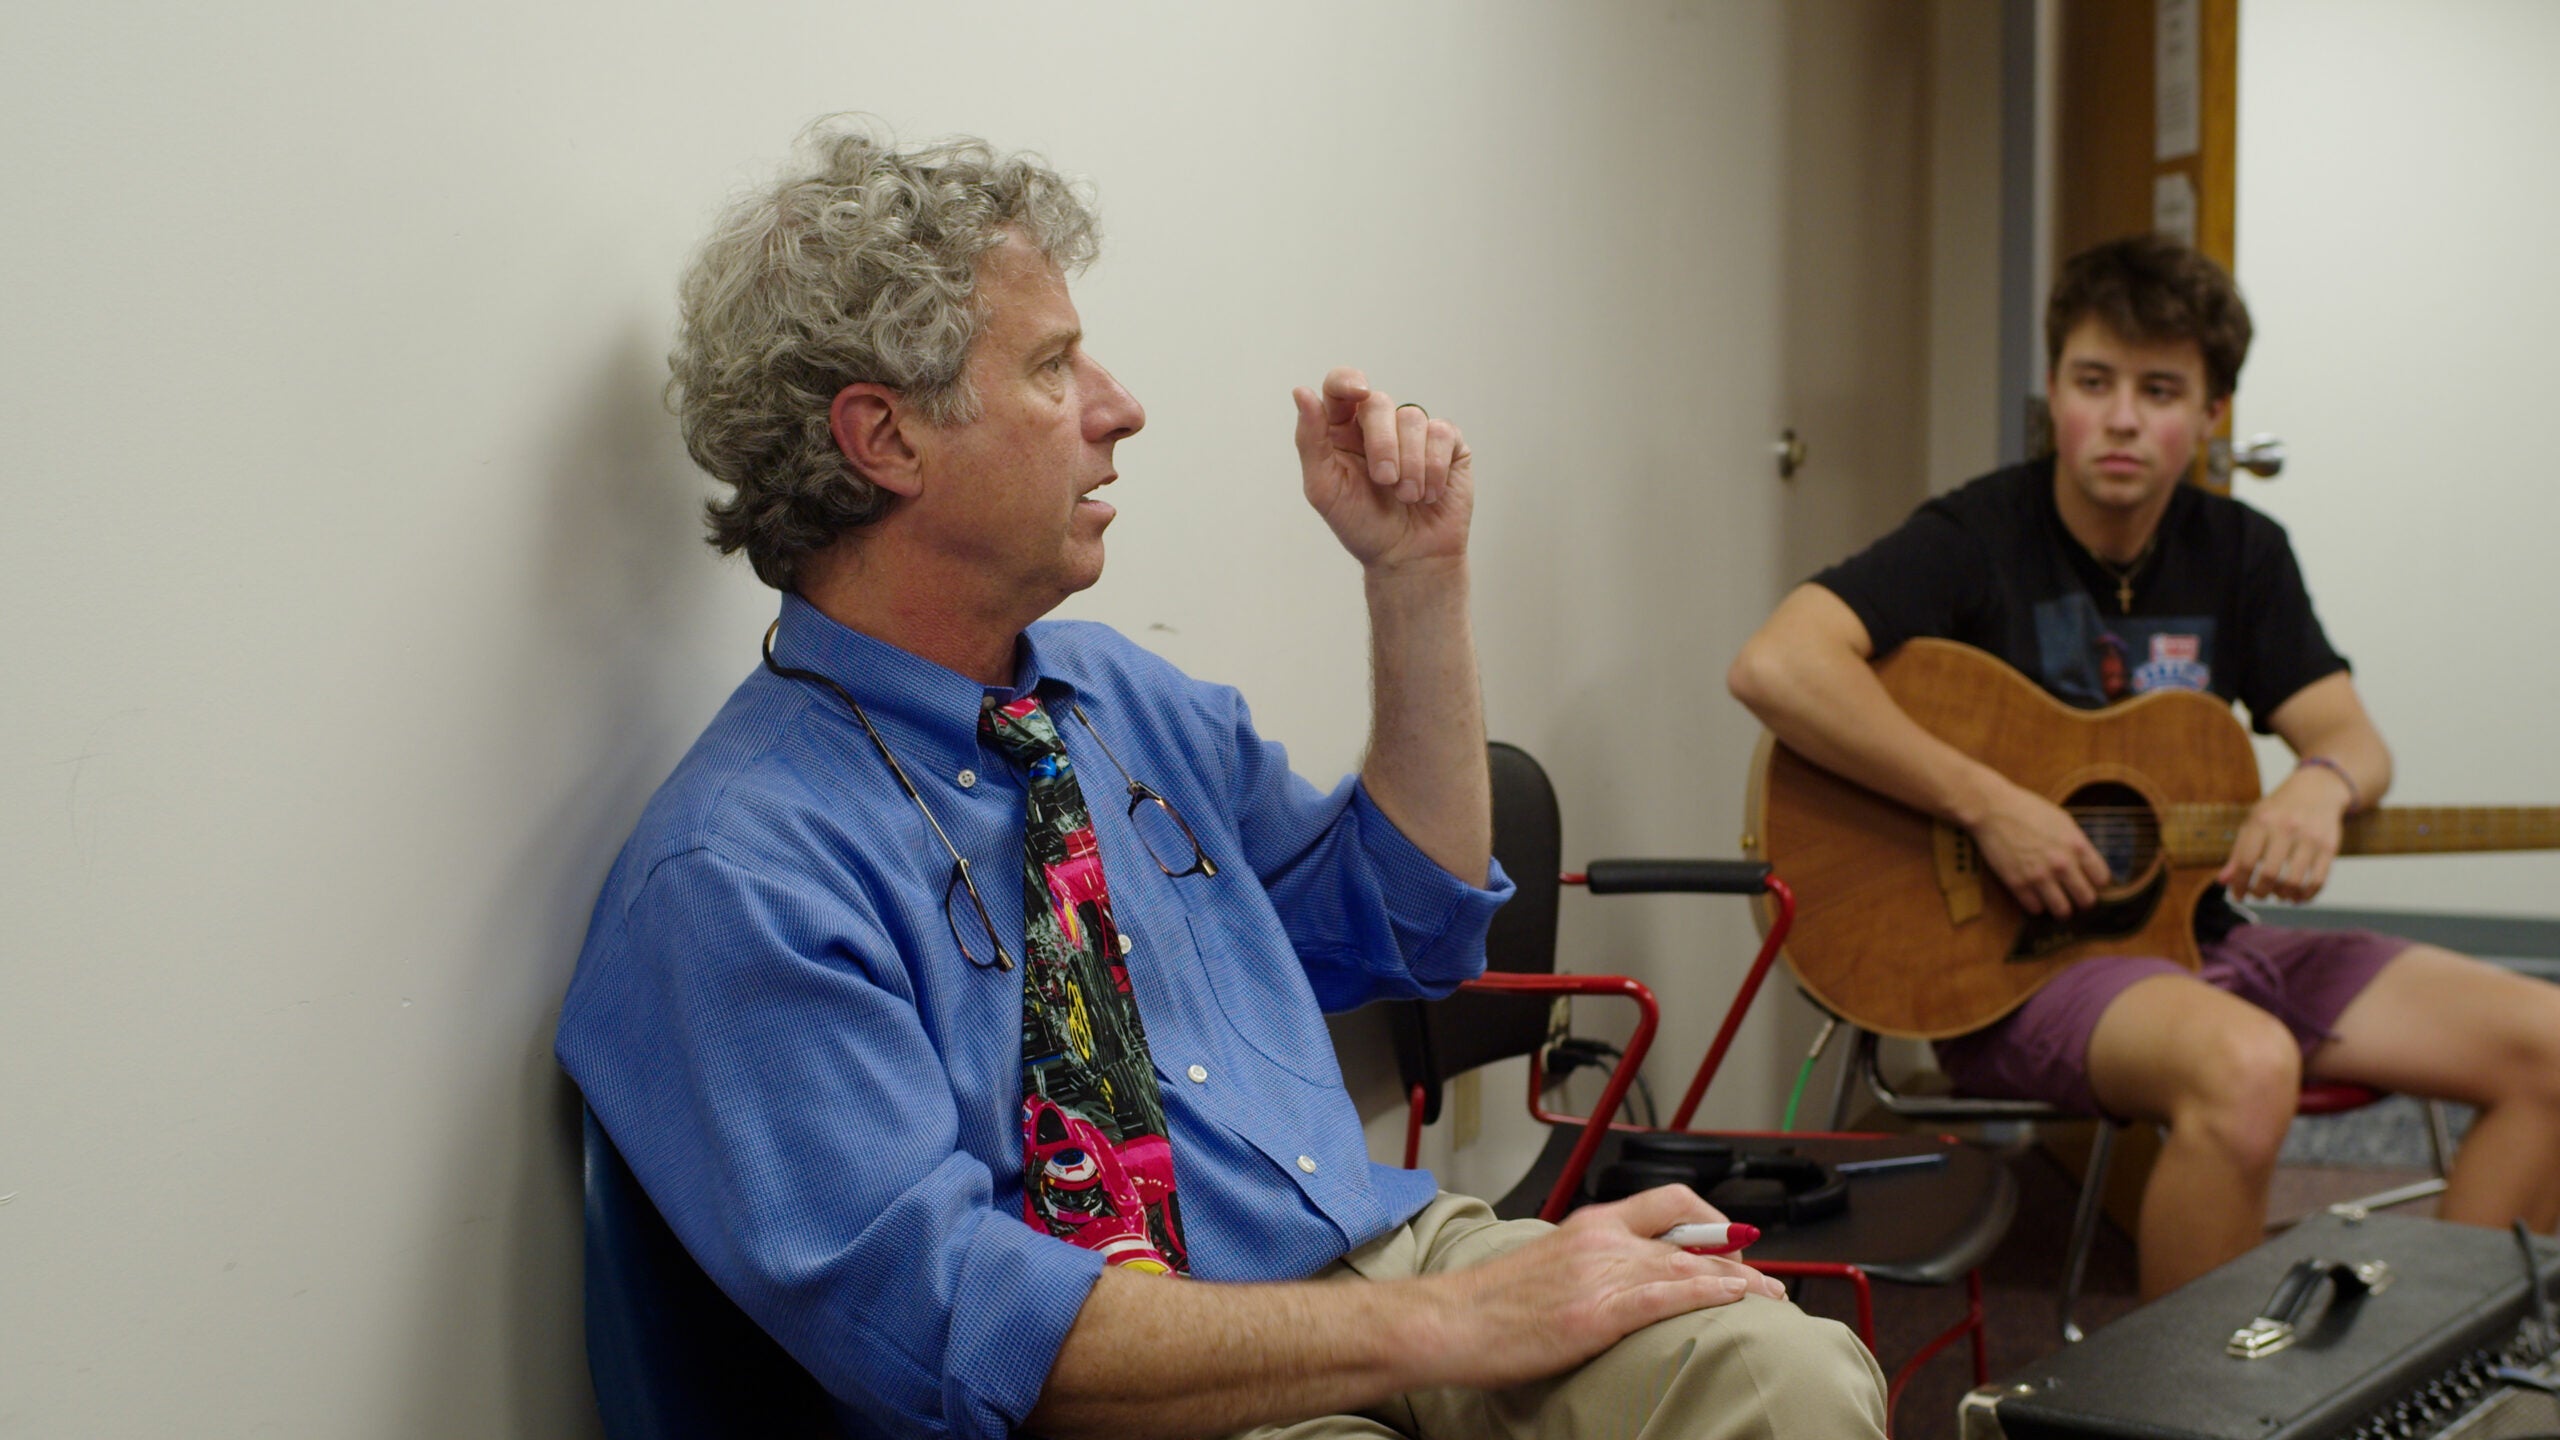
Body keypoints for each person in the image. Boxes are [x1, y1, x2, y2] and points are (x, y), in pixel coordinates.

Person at [557, 118, 1886, 1440]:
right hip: (1136, 1378)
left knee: (1782, 1375)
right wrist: (1455, 1327)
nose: (1119, 407)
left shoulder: (1115, 699)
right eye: (1054, 366)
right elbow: (954, 1325)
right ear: (886, 440)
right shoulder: (738, 874)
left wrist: (1415, 579)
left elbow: (1413, 928)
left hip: (1372, 1257)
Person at [1728, 233, 2560, 1299]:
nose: (2121, 418)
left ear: (2211, 414)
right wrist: (1990, 807)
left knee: (2547, 1041)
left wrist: (2320, 785)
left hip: (2203, 942)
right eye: (2094, 382)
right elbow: (1777, 665)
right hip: (2019, 973)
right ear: (2054, 391)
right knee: (2246, 1063)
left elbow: (2353, 738)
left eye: (2159, 390)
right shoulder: (1976, 534)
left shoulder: (2243, 552)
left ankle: (2439, 1353)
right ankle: (2189, 1389)